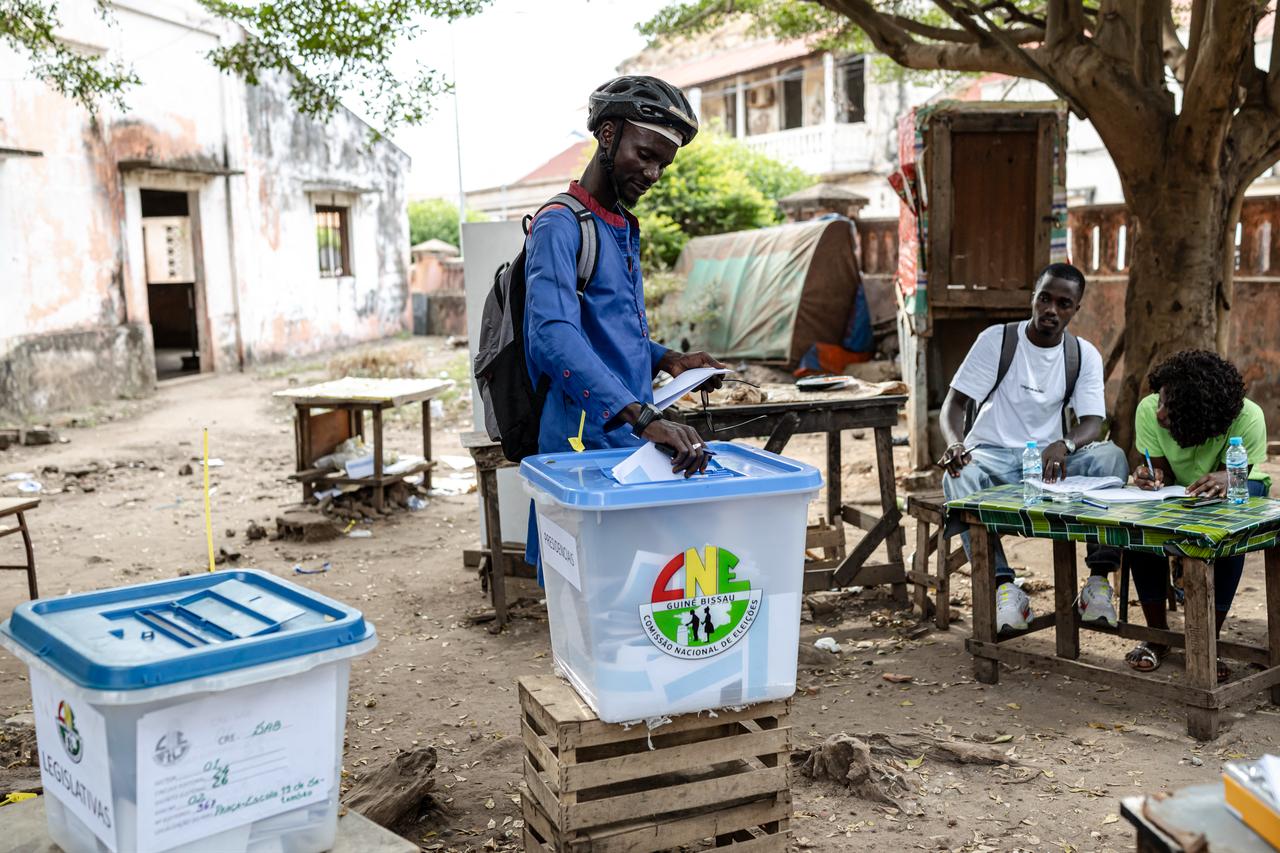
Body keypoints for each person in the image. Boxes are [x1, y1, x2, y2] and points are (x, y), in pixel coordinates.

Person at [524, 75, 724, 473]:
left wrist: (670, 360)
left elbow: (606, 334)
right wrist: (646, 419)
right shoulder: (559, 225)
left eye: (663, 165)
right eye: (646, 156)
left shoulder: (617, 224)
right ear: (608, 134)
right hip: (579, 446)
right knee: (571, 538)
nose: (654, 175)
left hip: (625, 439)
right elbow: (552, 335)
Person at [939, 263, 1129, 634]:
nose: (1051, 310)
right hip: (991, 456)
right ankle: (1004, 588)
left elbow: (1093, 422)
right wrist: (955, 444)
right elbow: (955, 404)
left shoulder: (1082, 354)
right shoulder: (998, 340)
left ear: (1076, 308)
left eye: (1063, 303)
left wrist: (1066, 443)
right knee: (961, 475)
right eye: (1045, 298)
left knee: (1111, 458)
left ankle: (1097, 582)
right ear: (1033, 299)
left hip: (1049, 463)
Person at [1123, 350, 1270, 680]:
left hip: (1243, 489)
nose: (1160, 413)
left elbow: (1237, 478)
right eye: (1161, 399)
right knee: (1139, 526)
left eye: (1171, 409)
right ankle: (1157, 637)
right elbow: (1162, 476)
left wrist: (1228, 477)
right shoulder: (1148, 410)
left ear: (1201, 415)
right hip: (1182, 490)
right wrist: (1151, 478)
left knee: (1225, 530)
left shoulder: (1248, 418)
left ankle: (1207, 641)